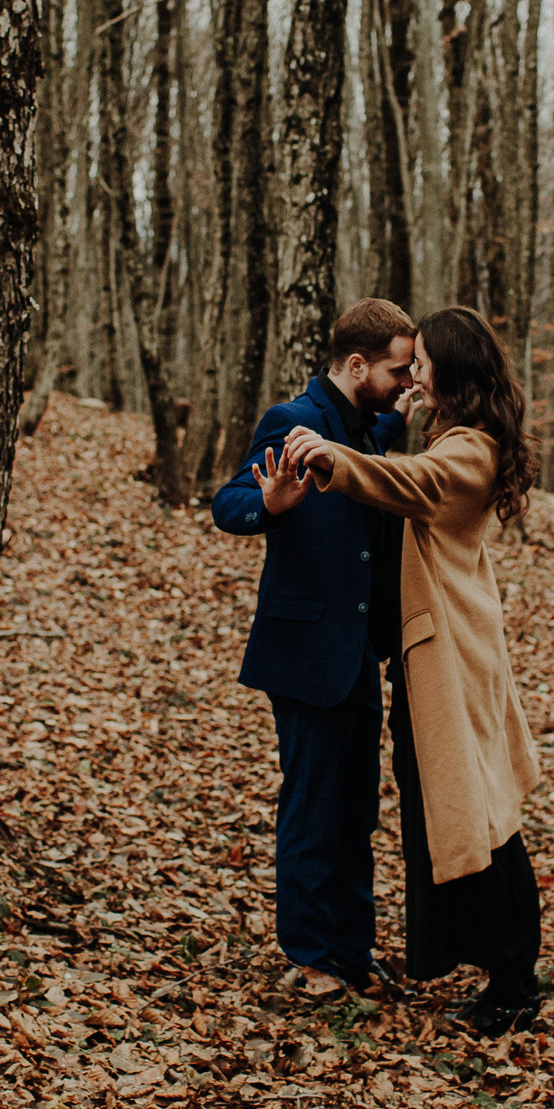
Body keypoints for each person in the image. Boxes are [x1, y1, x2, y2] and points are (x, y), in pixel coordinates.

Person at [280, 305, 546, 1036]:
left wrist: (334, 458)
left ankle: (513, 979)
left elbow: (413, 483)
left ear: (450, 371)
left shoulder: (466, 451)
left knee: (481, 816)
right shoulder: (460, 435)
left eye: (422, 363)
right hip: (441, 653)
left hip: (453, 657)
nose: (413, 376)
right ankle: (495, 966)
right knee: (459, 810)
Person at [211, 299, 418, 1001]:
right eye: (398, 370)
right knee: (313, 805)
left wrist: (402, 411)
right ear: (357, 365)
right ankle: (309, 955)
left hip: (359, 651)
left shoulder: (367, 426)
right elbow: (227, 502)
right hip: (306, 650)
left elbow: (373, 434)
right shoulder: (290, 421)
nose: (406, 380)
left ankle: (351, 950)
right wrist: (267, 505)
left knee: (357, 808)